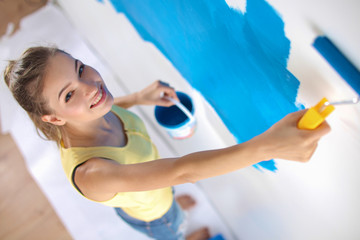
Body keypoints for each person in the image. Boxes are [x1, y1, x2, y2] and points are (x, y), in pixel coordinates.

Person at [4, 46, 330, 240]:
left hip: (156, 191)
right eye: (69, 93)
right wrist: (267, 146)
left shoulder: (88, 111)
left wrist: (139, 97)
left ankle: (175, 208)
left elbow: (110, 107)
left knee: (171, 197)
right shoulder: (93, 174)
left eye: (80, 68)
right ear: (54, 118)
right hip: (153, 214)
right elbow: (180, 171)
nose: (90, 86)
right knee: (171, 224)